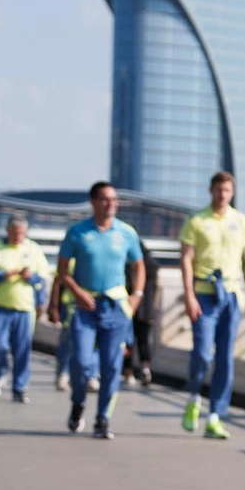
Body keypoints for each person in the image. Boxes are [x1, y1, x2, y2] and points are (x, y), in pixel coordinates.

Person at [50, 182, 144, 439]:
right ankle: (78, 402)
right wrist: (77, 292)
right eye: (105, 199)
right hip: (84, 307)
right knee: (80, 362)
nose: (111, 204)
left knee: (112, 366)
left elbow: (139, 266)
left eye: (114, 199)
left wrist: (136, 296)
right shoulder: (78, 232)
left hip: (116, 308)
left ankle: (103, 418)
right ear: (93, 202)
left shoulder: (126, 233)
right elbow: (62, 271)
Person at [179, 171, 245, 440]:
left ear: (232, 193)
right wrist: (188, 294)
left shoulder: (241, 221)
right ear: (210, 190)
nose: (222, 195)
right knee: (202, 353)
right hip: (203, 293)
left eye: (227, 191)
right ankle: (193, 397)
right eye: (218, 190)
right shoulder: (196, 220)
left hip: (232, 294)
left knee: (225, 356)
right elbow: (186, 259)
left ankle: (215, 415)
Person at [0, 215, 49, 403]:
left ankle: (19, 386)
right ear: (7, 231)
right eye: (15, 232)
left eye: (22, 233)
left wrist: (30, 277)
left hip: (25, 309)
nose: (19, 236)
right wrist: (3, 275)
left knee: (22, 350)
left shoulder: (33, 249)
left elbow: (43, 274)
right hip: (1, 307)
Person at [48, 259, 98, 393]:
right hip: (72, 306)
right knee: (68, 342)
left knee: (95, 343)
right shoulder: (70, 259)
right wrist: (53, 307)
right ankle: (63, 374)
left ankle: (91, 376)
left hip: (94, 306)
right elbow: (58, 282)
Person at [124, 239, 159, 388]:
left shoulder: (129, 267)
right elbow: (156, 289)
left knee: (128, 342)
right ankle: (146, 368)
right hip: (147, 311)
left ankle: (129, 373)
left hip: (130, 308)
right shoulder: (153, 267)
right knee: (144, 342)